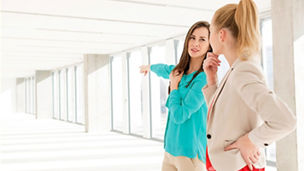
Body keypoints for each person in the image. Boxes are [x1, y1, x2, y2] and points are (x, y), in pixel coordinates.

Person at [202, 0, 297, 171]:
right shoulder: (236, 69)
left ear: (221, 35)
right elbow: (222, 117)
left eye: (210, 32)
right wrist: (212, 80)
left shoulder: (243, 71)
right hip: (228, 165)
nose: (209, 39)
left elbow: (285, 121)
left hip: (239, 166)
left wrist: (251, 140)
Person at [140, 21, 211, 171]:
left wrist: (174, 87)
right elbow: (164, 69)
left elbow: (180, 115)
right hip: (170, 150)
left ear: (209, 45)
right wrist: (149, 67)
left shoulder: (203, 78)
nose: (195, 43)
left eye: (202, 39)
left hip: (190, 153)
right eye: (192, 37)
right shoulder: (179, 71)